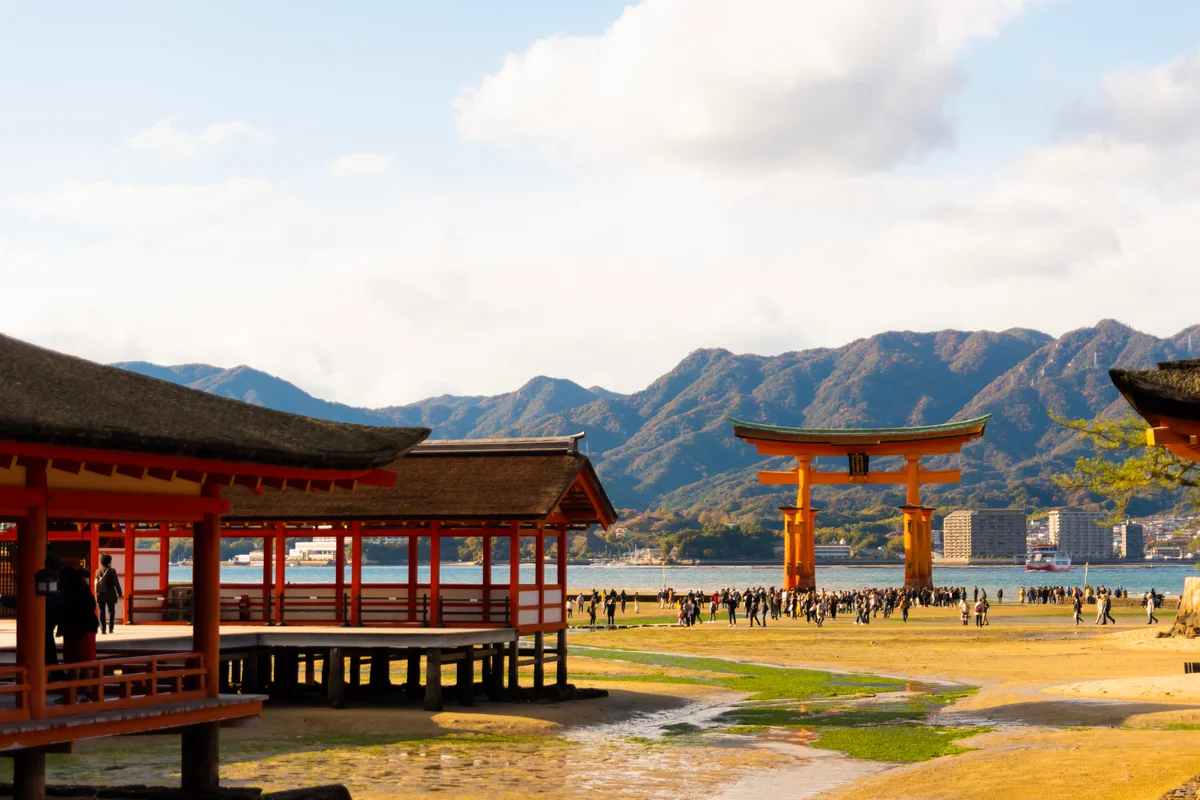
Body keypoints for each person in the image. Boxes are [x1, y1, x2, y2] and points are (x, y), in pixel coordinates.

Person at [58, 567, 100, 673]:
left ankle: (75, 681)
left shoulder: (67, 591)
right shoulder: (83, 587)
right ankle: (87, 683)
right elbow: (91, 605)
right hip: (85, 628)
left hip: (75, 629)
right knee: (86, 662)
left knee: (74, 663)